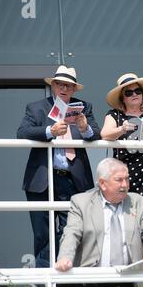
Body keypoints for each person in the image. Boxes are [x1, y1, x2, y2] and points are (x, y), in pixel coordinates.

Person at [17, 65, 100, 268]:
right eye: (60, 84)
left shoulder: (84, 107)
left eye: (69, 86)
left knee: (70, 229)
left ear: (74, 90)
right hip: (42, 178)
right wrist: (49, 131)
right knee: (42, 232)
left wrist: (84, 128)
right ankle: (45, 277)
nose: (64, 89)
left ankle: (64, 277)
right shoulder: (36, 107)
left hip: (72, 178)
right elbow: (22, 132)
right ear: (53, 86)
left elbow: (96, 134)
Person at [55, 158, 143, 287]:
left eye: (127, 179)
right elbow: (71, 234)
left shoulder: (139, 202)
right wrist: (65, 258)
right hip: (91, 279)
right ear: (102, 183)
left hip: (128, 279)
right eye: (119, 180)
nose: (125, 185)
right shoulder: (81, 203)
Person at [101, 73, 143, 244]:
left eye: (137, 91)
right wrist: (122, 129)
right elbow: (105, 134)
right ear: (122, 97)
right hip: (126, 173)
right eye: (129, 92)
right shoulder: (115, 115)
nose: (134, 95)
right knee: (127, 216)